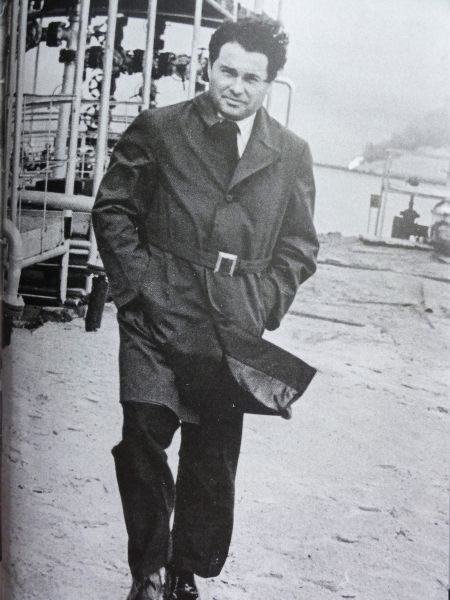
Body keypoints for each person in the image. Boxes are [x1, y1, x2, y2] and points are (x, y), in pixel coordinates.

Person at [92, 16, 319, 600]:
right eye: (227, 71)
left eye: (251, 78)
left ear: (269, 84)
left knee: (211, 455)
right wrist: (138, 287)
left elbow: (299, 246)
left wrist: (264, 303)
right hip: (156, 309)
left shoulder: (291, 153)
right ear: (208, 66)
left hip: (232, 322)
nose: (236, 86)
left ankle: (185, 570)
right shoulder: (160, 127)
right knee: (143, 433)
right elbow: (113, 209)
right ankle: (149, 571)